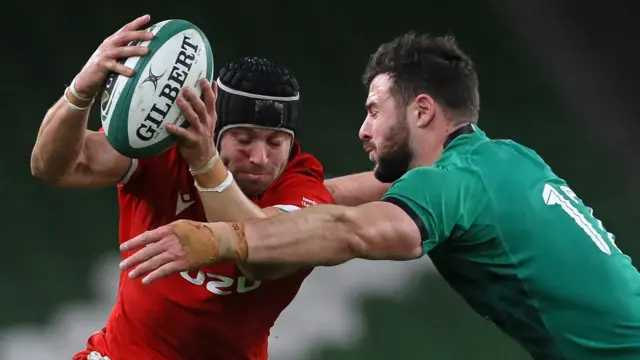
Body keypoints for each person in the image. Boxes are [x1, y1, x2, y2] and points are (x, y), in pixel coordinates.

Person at [120, 31, 640, 359]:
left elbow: (351, 230)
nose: (363, 130)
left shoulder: (449, 185)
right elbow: (337, 197)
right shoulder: (505, 159)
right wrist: (259, 193)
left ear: (421, 111)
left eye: (374, 110)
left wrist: (224, 237)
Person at [30, 14, 378, 360]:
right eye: (243, 139)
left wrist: (205, 164)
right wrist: (80, 92)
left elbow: (260, 253)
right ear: (214, 126)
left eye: (276, 142)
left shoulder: (300, 181)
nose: (259, 157)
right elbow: (54, 167)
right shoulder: (163, 149)